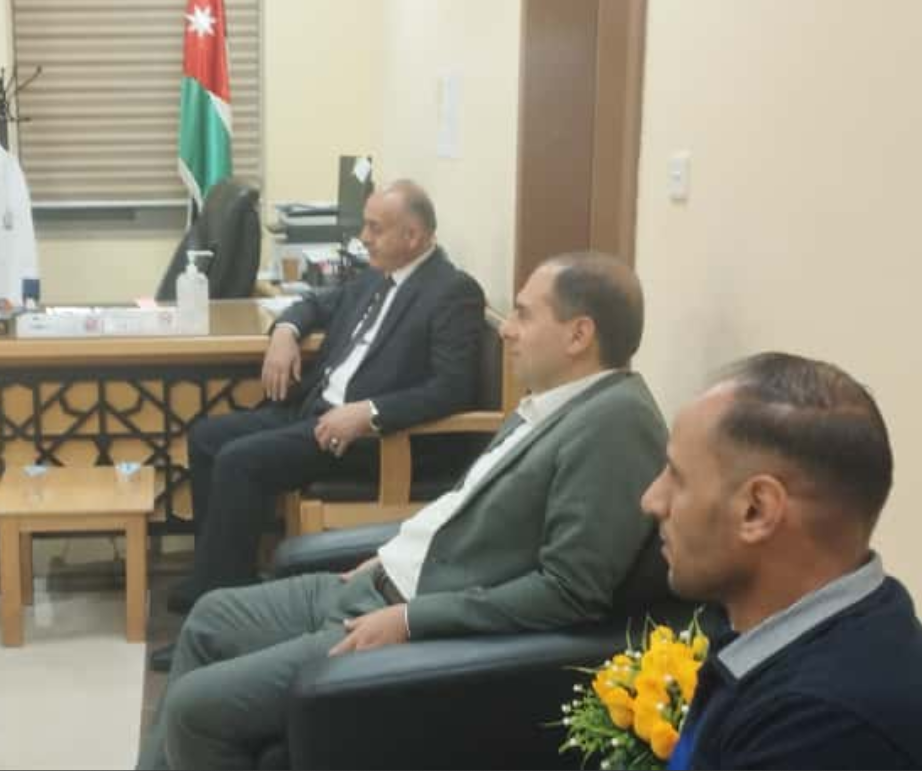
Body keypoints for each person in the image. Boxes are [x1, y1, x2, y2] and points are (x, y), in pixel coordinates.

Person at [137, 252, 669, 769]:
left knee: (195, 710)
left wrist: (412, 620)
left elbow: (570, 590)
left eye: (525, 315)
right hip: (378, 580)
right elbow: (466, 505)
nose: (506, 329)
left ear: (579, 335)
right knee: (208, 619)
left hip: (409, 613)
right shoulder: (551, 403)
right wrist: (390, 551)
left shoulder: (615, 425)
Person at [643, 353, 922, 769]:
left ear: (756, 510)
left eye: (677, 476)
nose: (651, 500)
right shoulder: (810, 644)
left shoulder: (820, 727)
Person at [163, 180, 486, 627]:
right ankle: (213, 573)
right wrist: (285, 332)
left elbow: (452, 388)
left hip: (373, 440)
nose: (364, 238)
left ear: (413, 236)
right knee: (206, 436)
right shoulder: (377, 275)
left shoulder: (452, 291)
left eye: (375, 228)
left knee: (240, 460)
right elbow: (315, 303)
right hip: (316, 410)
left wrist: (370, 413)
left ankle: (223, 611)